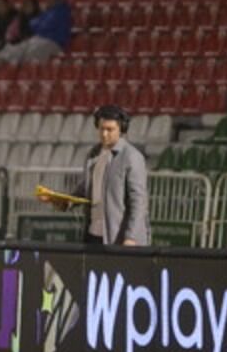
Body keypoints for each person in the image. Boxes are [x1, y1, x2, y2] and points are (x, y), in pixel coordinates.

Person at [38, 105, 149, 247]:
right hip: (93, 234)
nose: (104, 134)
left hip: (118, 238)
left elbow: (139, 202)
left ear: (121, 129)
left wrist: (131, 237)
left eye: (110, 129)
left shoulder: (132, 157)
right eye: (102, 128)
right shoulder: (93, 154)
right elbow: (88, 187)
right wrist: (65, 201)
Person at [0, 0, 72, 68]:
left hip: (54, 42)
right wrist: (38, 24)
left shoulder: (61, 11)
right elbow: (33, 23)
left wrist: (38, 24)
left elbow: (43, 26)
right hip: (40, 38)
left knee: (31, 52)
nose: (48, 0)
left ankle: (3, 61)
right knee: (21, 46)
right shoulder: (48, 12)